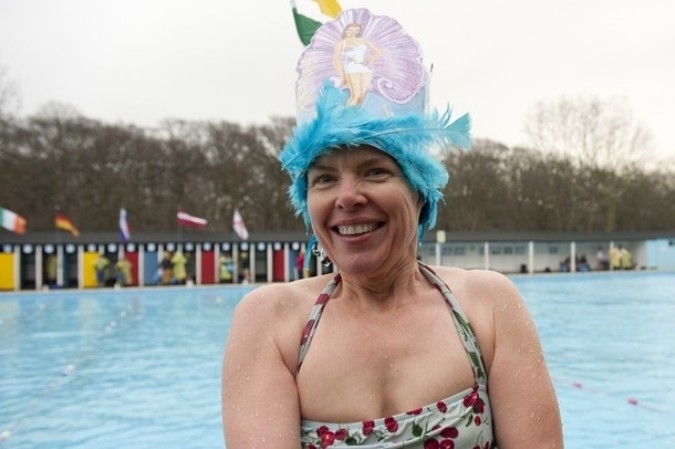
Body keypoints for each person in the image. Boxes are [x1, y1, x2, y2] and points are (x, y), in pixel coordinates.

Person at [222, 8, 562, 449]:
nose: (347, 197)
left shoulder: (488, 309)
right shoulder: (270, 323)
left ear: (420, 193)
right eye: (324, 178)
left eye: (375, 172)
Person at [332, 22, 382, 106]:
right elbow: (336, 61)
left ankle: (354, 116)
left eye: (356, 30)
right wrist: (343, 75)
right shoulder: (341, 43)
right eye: (350, 29)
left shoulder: (363, 40)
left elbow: (378, 51)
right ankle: (345, 117)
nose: (352, 32)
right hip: (351, 67)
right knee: (356, 95)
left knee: (362, 95)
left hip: (365, 68)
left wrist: (370, 59)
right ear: (346, 30)